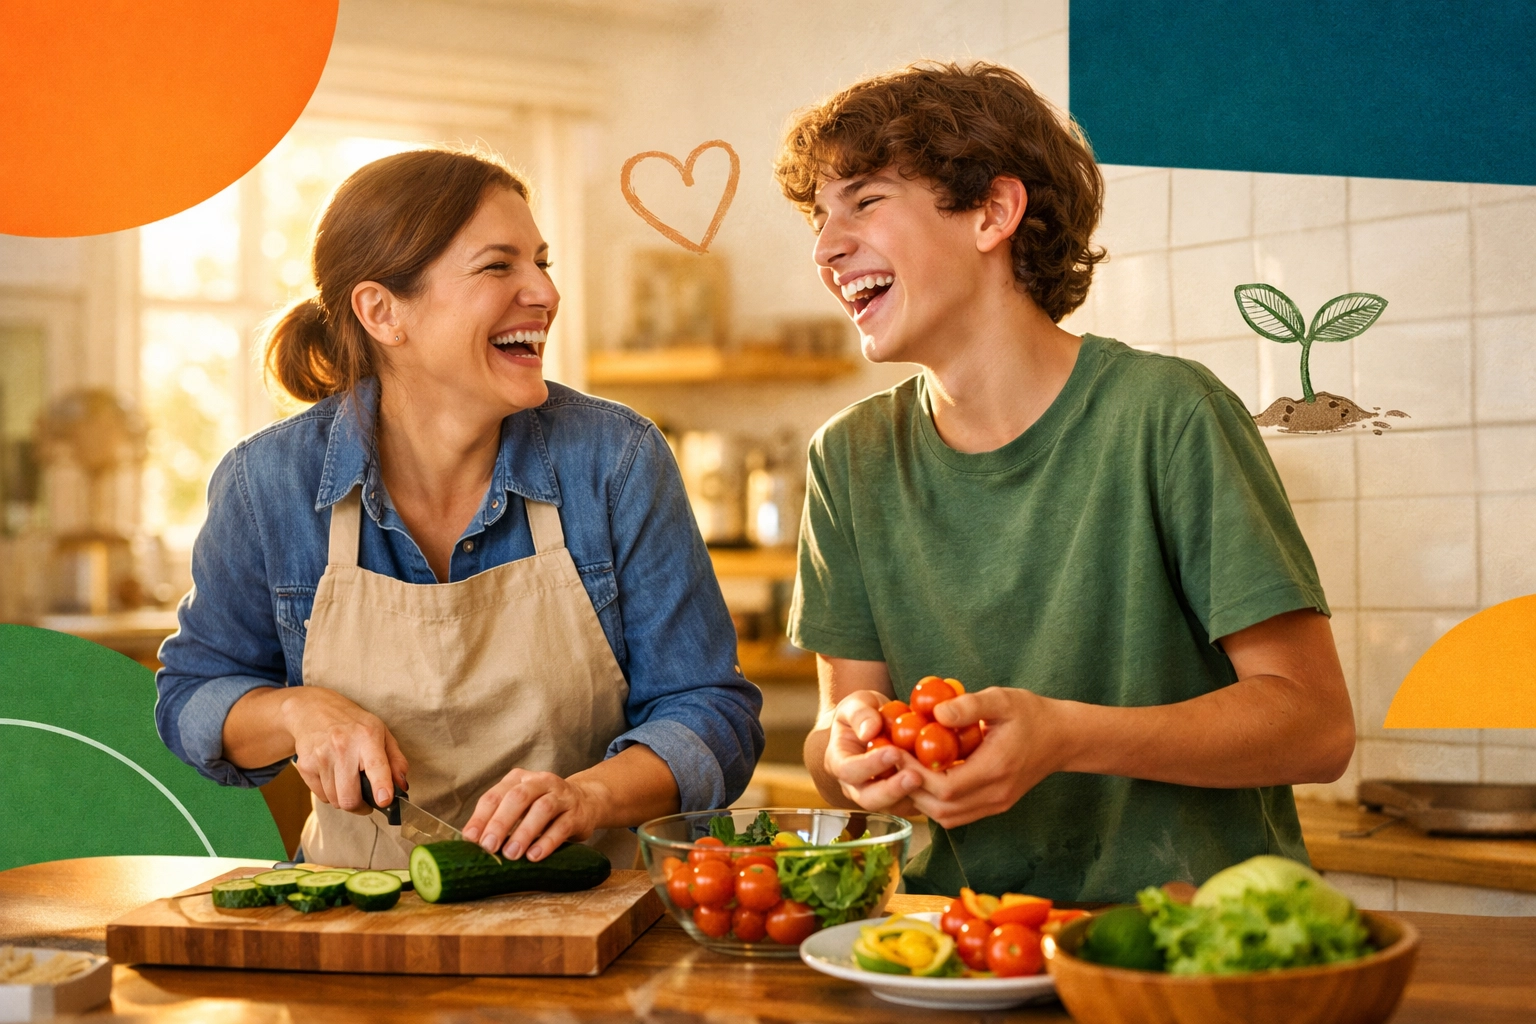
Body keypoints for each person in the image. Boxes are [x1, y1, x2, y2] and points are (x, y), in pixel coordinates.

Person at [774, 63, 1355, 901]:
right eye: (820, 217)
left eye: (864, 201)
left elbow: (1315, 727)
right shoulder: (851, 457)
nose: (826, 248)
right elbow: (835, 731)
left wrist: (1065, 737)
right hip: (967, 943)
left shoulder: (1167, 414)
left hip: (1188, 943)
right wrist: (853, 755)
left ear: (993, 213)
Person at [155, 148, 762, 869]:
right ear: (382, 311)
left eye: (542, 262)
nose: (544, 292)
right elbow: (191, 698)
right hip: (356, 923)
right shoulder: (269, 483)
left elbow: (713, 712)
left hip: (595, 920)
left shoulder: (615, 461)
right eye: (499, 266)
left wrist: (592, 796)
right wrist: (297, 713)